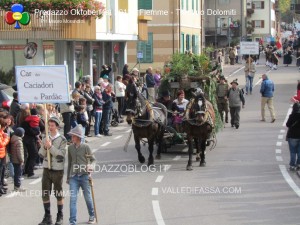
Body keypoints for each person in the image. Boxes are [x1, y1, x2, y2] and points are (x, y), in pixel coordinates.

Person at [38, 116, 67, 225]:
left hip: (57, 170)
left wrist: (50, 147)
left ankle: (60, 215)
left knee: (58, 192)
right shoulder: (46, 137)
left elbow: (61, 155)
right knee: (45, 192)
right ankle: (47, 216)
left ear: (57, 126)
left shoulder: (62, 140)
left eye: (52, 125)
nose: (50, 127)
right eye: (49, 125)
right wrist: (45, 147)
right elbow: (41, 154)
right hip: (46, 169)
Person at [67, 125, 96, 225]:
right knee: (73, 199)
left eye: (73, 136)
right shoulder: (70, 148)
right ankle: (72, 221)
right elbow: (69, 163)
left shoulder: (86, 147)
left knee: (88, 198)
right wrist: (68, 177)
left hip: (84, 176)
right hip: (73, 177)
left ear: (78, 137)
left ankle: (92, 216)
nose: (71, 138)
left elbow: (93, 160)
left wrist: (91, 166)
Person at [10, 127, 26, 192]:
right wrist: (22, 160)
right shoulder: (19, 141)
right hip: (18, 160)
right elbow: (19, 152)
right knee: (18, 174)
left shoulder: (13, 139)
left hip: (13, 159)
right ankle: (17, 186)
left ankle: (16, 186)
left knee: (16, 173)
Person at [286, 103, 300, 171]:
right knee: (299, 151)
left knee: (293, 152)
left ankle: (292, 165)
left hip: (292, 136)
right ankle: (298, 164)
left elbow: (287, 125)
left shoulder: (291, 116)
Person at [0, 118, 10, 197]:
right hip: (0, 154)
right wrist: (6, 138)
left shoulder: (1, 132)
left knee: (2, 171)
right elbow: (1, 144)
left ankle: (1, 187)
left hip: (2, 154)